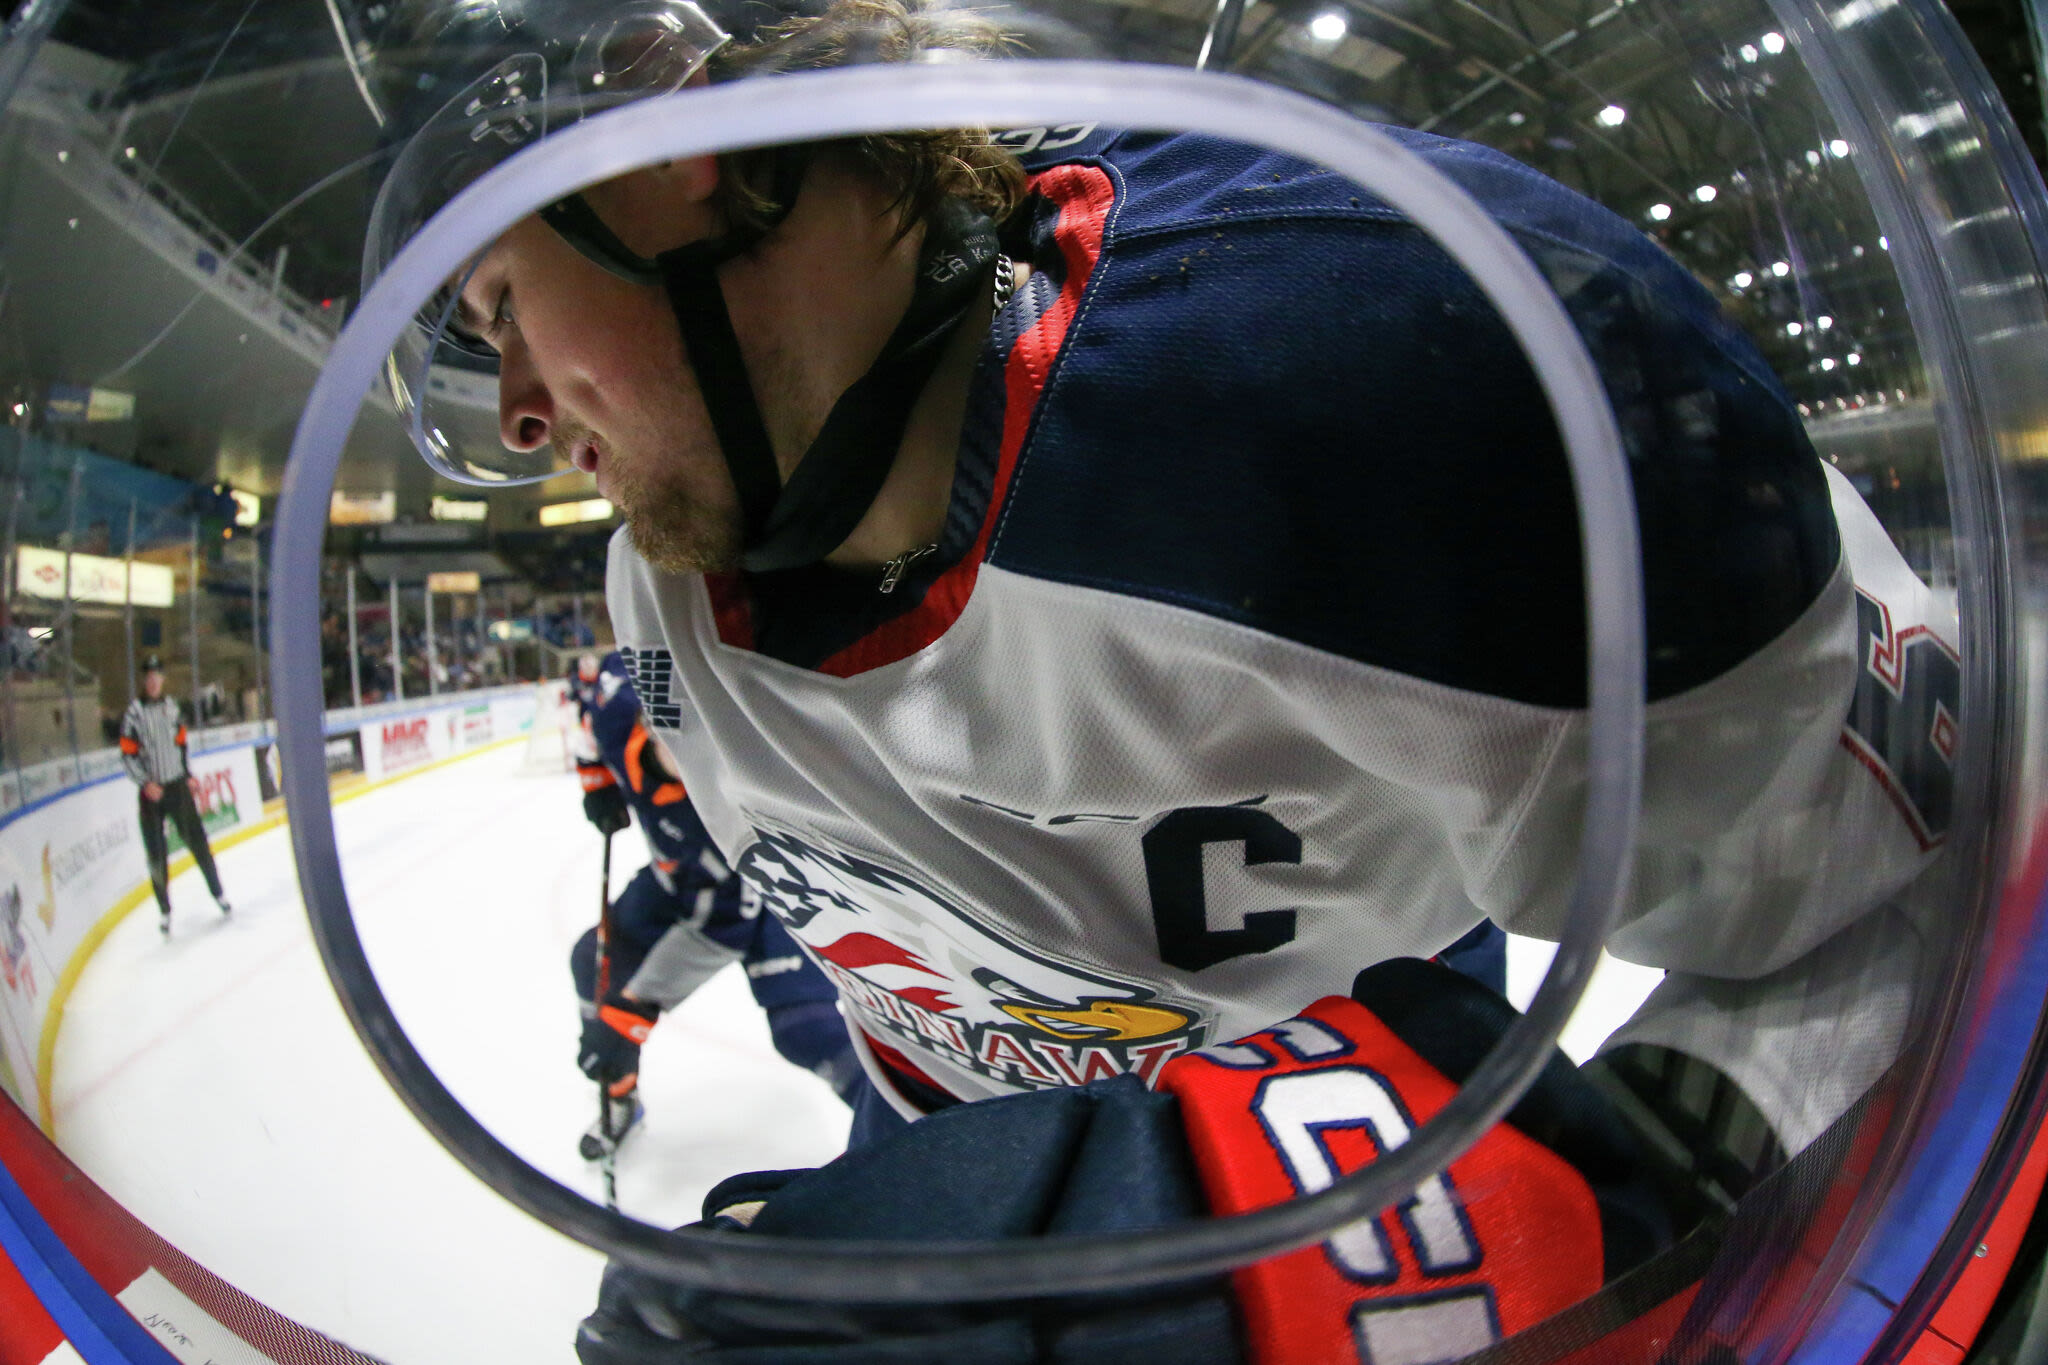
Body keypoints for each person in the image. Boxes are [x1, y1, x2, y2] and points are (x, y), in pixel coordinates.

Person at [365, 0, 1957, 1355]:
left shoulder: (1404, 356)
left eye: (500, 302)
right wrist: (952, 1240)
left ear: (660, 151)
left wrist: (1376, 1254)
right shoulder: (659, 566)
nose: (509, 409)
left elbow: (1931, 905)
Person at [570, 648, 867, 1157]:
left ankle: (910, 1136)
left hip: (769, 894)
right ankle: (618, 1095)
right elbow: (587, 720)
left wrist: (634, 1010)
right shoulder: (618, 699)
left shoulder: (729, 807)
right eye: (682, 746)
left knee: (806, 1031)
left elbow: (723, 927)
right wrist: (596, 784)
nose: (702, 764)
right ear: (649, 717)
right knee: (591, 961)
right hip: (677, 880)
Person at [119, 655, 231, 939]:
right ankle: (165, 911)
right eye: (149, 676)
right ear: (144, 681)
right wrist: (145, 783)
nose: (153, 681)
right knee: (156, 855)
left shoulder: (171, 708)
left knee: (199, 842)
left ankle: (218, 893)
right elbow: (127, 755)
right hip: (151, 795)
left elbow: (181, 744)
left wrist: (188, 773)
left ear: (163, 679)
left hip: (178, 788)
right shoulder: (133, 714)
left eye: (157, 675)